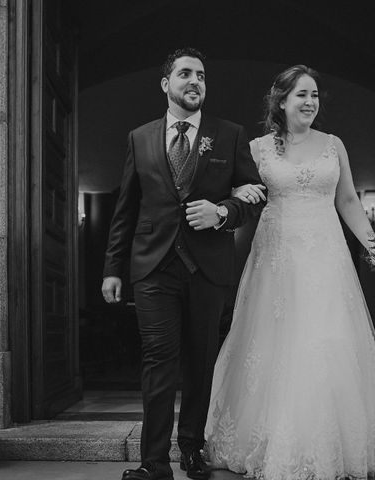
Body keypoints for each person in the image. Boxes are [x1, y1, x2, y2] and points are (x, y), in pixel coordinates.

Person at [205, 65, 375, 480]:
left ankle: (332, 436)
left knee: (327, 338)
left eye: (314, 95)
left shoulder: (334, 145)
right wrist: (231, 199)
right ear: (281, 101)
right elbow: (240, 196)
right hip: (276, 259)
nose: (310, 102)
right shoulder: (259, 148)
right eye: (301, 94)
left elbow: (349, 201)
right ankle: (275, 436)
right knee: (277, 342)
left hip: (326, 257)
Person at [101, 47, 266, 480]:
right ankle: (153, 463)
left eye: (202, 76)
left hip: (208, 268)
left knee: (200, 360)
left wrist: (224, 212)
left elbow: (255, 194)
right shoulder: (140, 137)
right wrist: (112, 268)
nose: (195, 81)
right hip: (153, 267)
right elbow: (126, 208)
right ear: (166, 84)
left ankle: (191, 449)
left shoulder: (228, 135)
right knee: (158, 360)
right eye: (186, 74)